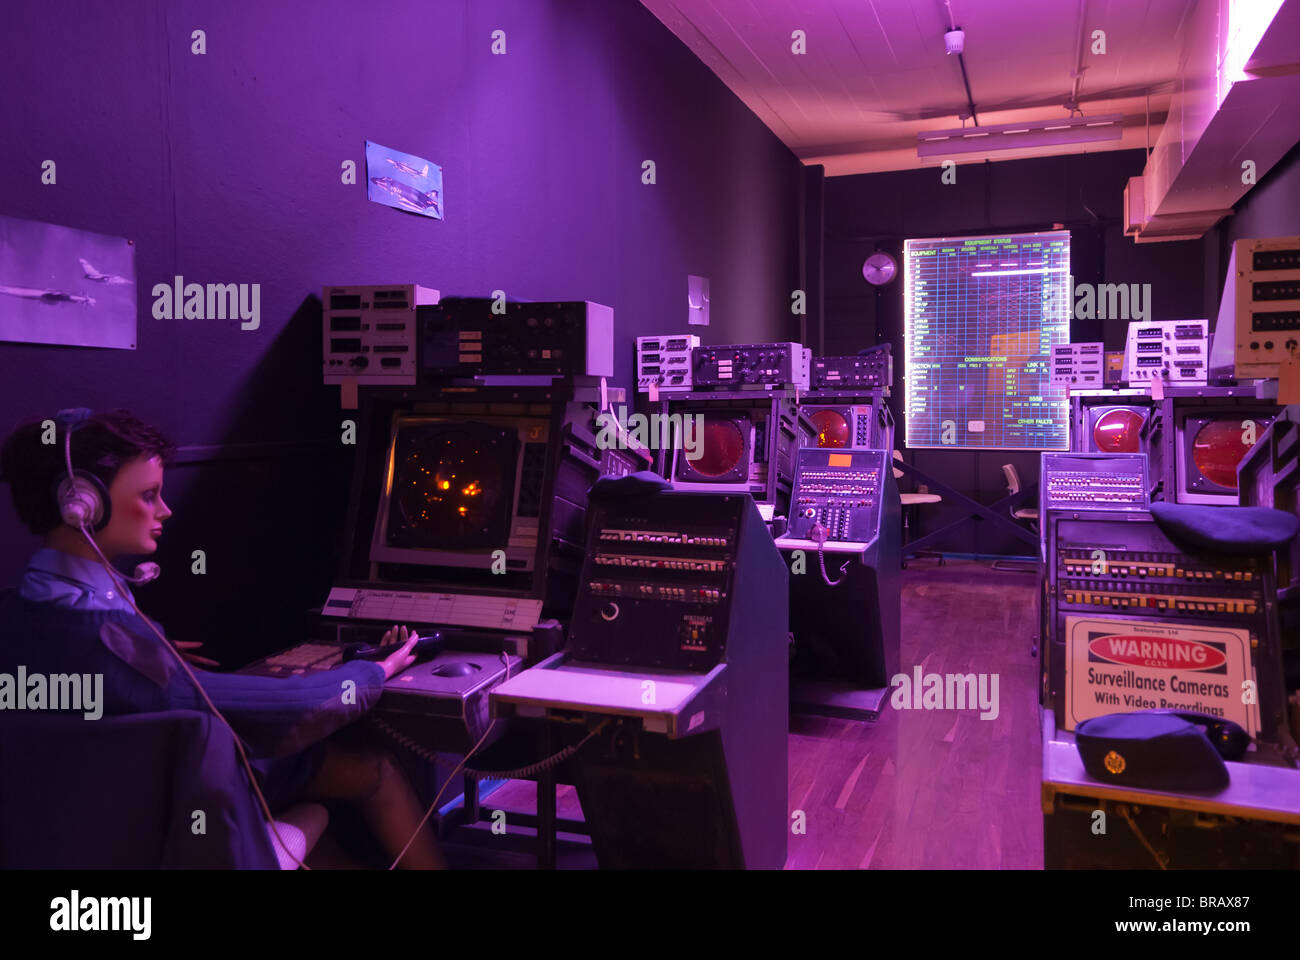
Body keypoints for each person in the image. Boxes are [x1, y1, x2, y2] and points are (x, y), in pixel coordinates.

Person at [0, 409, 447, 869]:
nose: (164, 511)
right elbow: (290, 705)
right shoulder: (119, 649)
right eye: (149, 496)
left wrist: (150, 649)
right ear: (83, 506)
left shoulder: (19, 614)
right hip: (169, 817)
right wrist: (375, 669)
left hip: (73, 830)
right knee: (376, 769)